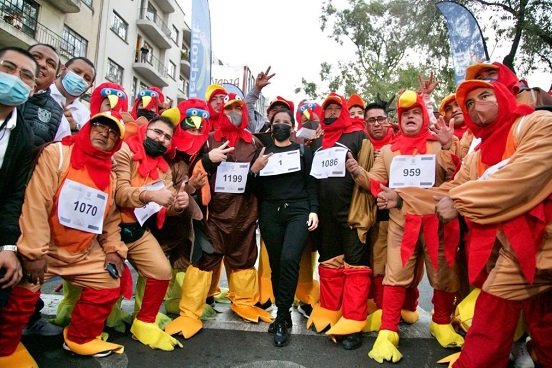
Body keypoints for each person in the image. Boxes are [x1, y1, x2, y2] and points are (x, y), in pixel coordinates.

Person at [431, 79, 552, 367]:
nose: (475, 107)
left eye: (484, 95)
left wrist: (460, 202)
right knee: (487, 330)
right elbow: (448, 190)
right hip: (517, 256)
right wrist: (399, 198)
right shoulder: (476, 154)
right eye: (469, 103)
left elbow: (522, 179)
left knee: (546, 327)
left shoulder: (538, 123)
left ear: (503, 96)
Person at [0, 111, 128, 366]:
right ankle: (5, 348)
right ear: (88, 127)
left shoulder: (110, 176)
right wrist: (33, 253)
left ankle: (80, 338)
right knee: (21, 293)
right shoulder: (57, 154)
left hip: (82, 253)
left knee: (109, 282)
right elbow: (36, 204)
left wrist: (114, 249)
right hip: (45, 251)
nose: (105, 134)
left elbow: (110, 220)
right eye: (100, 126)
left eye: (114, 133)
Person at [347, 89, 463, 363]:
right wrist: (356, 171)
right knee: (395, 275)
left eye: (415, 113)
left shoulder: (439, 145)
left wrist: (449, 146)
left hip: (437, 224)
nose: (410, 117)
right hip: (401, 226)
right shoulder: (387, 151)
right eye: (405, 114)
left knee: (443, 274)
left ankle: (442, 322)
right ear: (399, 119)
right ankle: (388, 330)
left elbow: (458, 178)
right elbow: (377, 183)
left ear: (424, 116)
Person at [112, 115, 187, 351]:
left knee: (161, 270)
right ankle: (86, 328)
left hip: (137, 229)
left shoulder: (164, 168)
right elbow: (120, 193)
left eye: (167, 137)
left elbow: (166, 205)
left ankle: (144, 323)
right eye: (157, 132)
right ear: (145, 130)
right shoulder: (124, 152)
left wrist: (179, 203)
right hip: (110, 229)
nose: (161, 139)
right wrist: (150, 194)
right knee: (103, 280)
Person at [306, 92, 374, 351]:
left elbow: (368, 174)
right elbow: (311, 180)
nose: (332, 113)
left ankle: (354, 322)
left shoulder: (359, 137)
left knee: (355, 269)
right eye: (328, 109)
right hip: (326, 217)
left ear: (344, 111)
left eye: (337, 108)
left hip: (353, 216)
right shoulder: (317, 142)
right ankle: (331, 311)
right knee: (330, 266)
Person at [248, 108, 319, 347]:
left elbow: (312, 183)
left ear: (292, 126)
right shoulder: (262, 152)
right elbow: (252, 190)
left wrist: (314, 210)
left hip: (298, 211)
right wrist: (254, 171)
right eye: (276, 121)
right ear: (271, 125)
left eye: (285, 122)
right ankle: (284, 313)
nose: (281, 125)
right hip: (270, 213)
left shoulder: (302, 151)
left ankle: (280, 316)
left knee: (290, 259)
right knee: (277, 262)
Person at [362, 100, 421, 333]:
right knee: (378, 263)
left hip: (405, 214)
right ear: (365, 124)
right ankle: (381, 308)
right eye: (371, 120)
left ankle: (408, 306)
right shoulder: (361, 144)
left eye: (380, 119)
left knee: (407, 264)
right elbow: (365, 179)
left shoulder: (399, 142)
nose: (377, 124)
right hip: (374, 214)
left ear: (388, 121)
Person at [0, 47, 37, 312]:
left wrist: (7, 246)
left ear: (33, 88)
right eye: (8, 68)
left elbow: (14, 195)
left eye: (25, 75)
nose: (15, 78)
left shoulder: (24, 136)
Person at [19, 44, 63, 148]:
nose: (42, 64)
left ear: (55, 78)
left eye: (51, 64)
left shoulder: (59, 118)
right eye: (36, 56)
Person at [51, 57, 95, 138]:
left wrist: (75, 128)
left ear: (90, 86)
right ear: (62, 69)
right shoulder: (41, 93)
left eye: (87, 78)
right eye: (77, 72)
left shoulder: (85, 114)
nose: (80, 79)